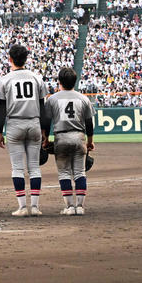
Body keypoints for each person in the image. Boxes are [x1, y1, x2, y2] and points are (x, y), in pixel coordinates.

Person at [0, 44, 48, 216]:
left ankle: (22, 207)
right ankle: (35, 206)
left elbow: (2, 108)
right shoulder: (36, 78)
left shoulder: (4, 80)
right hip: (34, 123)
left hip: (14, 124)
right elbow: (43, 107)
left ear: (10, 59)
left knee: (17, 168)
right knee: (34, 167)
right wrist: (45, 130)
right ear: (26, 59)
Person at [45, 67, 95, 215]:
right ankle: (80, 207)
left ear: (59, 82)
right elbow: (89, 124)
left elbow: (46, 122)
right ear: (75, 81)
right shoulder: (83, 98)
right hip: (79, 137)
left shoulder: (52, 99)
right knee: (80, 173)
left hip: (61, 137)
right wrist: (90, 141)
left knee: (64, 173)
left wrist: (45, 139)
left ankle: (69, 207)